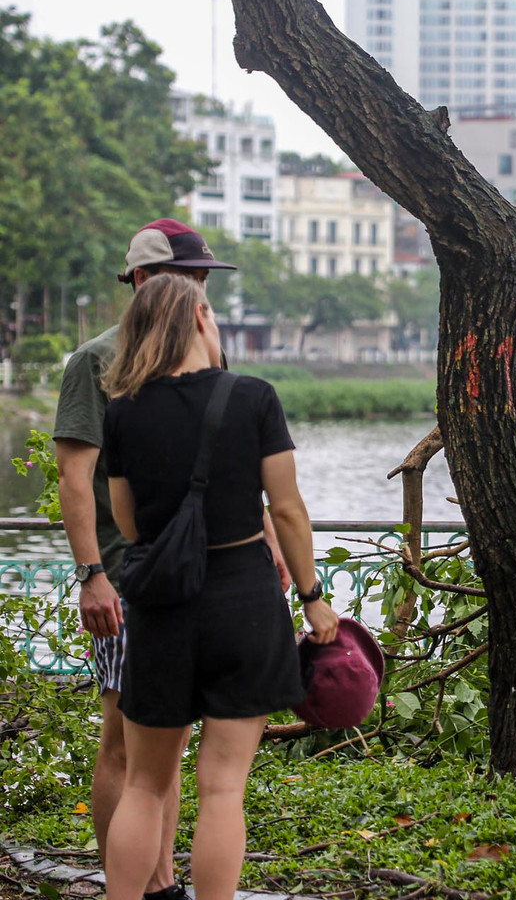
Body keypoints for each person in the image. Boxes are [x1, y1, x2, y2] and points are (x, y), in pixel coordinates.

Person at [100, 273, 339, 900]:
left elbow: (127, 523)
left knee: (147, 785)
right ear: (203, 318)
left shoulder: (122, 412)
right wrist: (312, 598)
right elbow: (287, 510)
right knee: (223, 786)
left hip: (161, 607)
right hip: (244, 604)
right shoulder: (253, 397)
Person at [53, 218, 249, 900]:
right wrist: (92, 575)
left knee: (166, 749)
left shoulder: (203, 359)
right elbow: (75, 478)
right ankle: (139, 885)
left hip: (198, 579)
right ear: (142, 280)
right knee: (125, 743)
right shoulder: (99, 361)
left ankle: (159, 882)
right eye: (187, 277)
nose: (199, 290)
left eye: (202, 278)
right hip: (129, 576)